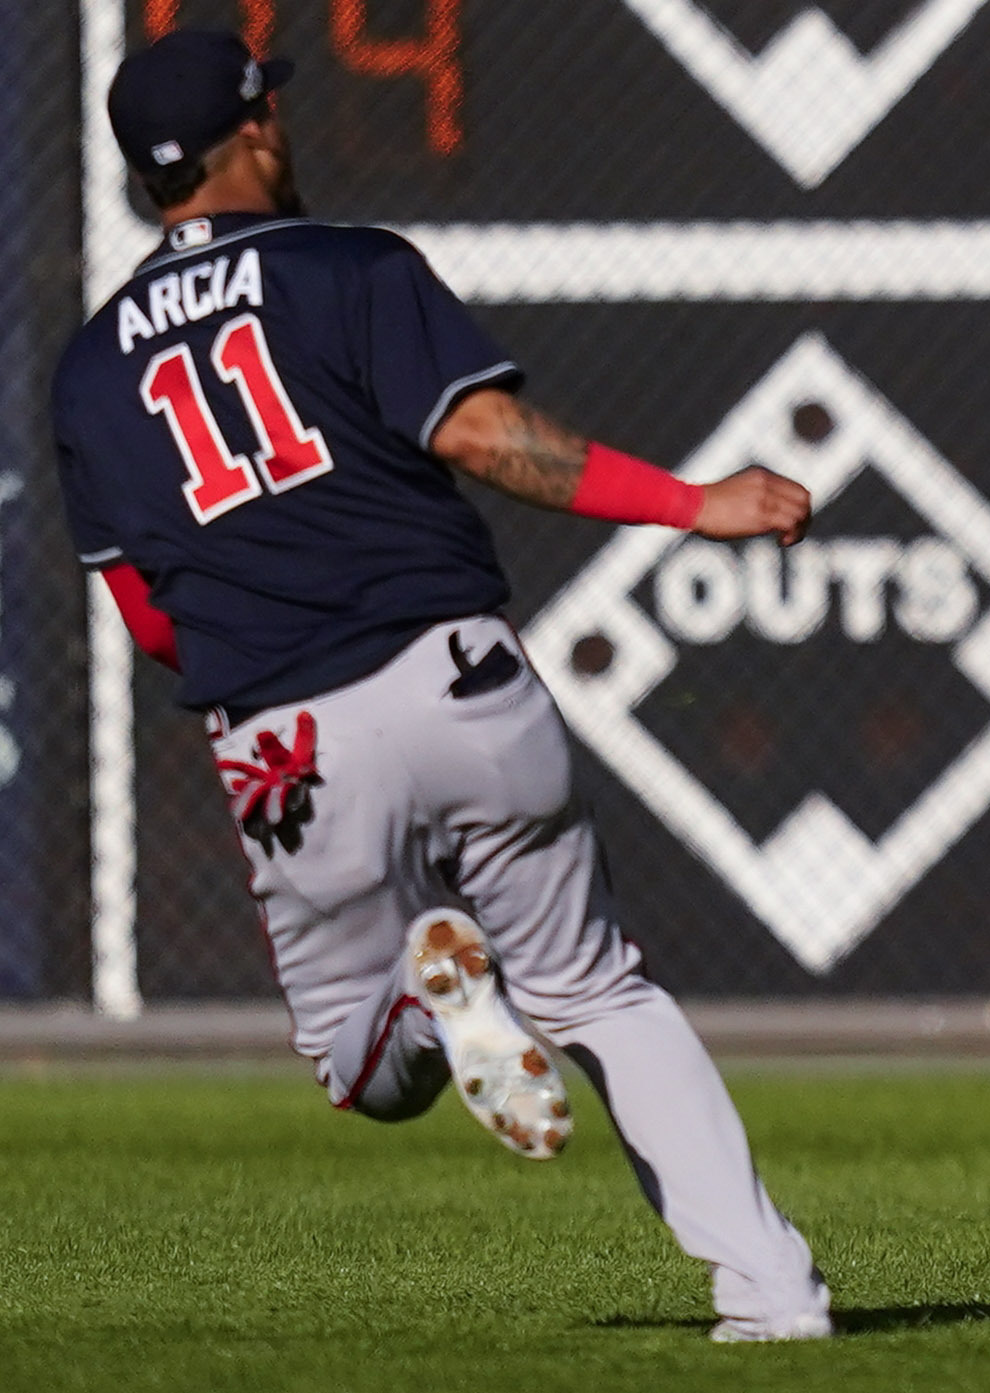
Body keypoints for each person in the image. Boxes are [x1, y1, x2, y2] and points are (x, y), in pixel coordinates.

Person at [51, 30, 832, 1341]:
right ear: (257, 134)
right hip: (460, 678)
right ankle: (771, 1295)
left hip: (286, 736)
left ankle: (428, 1000)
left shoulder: (89, 371)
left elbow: (149, 617)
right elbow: (480, 434)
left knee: (367, 1072)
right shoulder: (354, 264)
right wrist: (694, 501)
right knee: (599, 992)